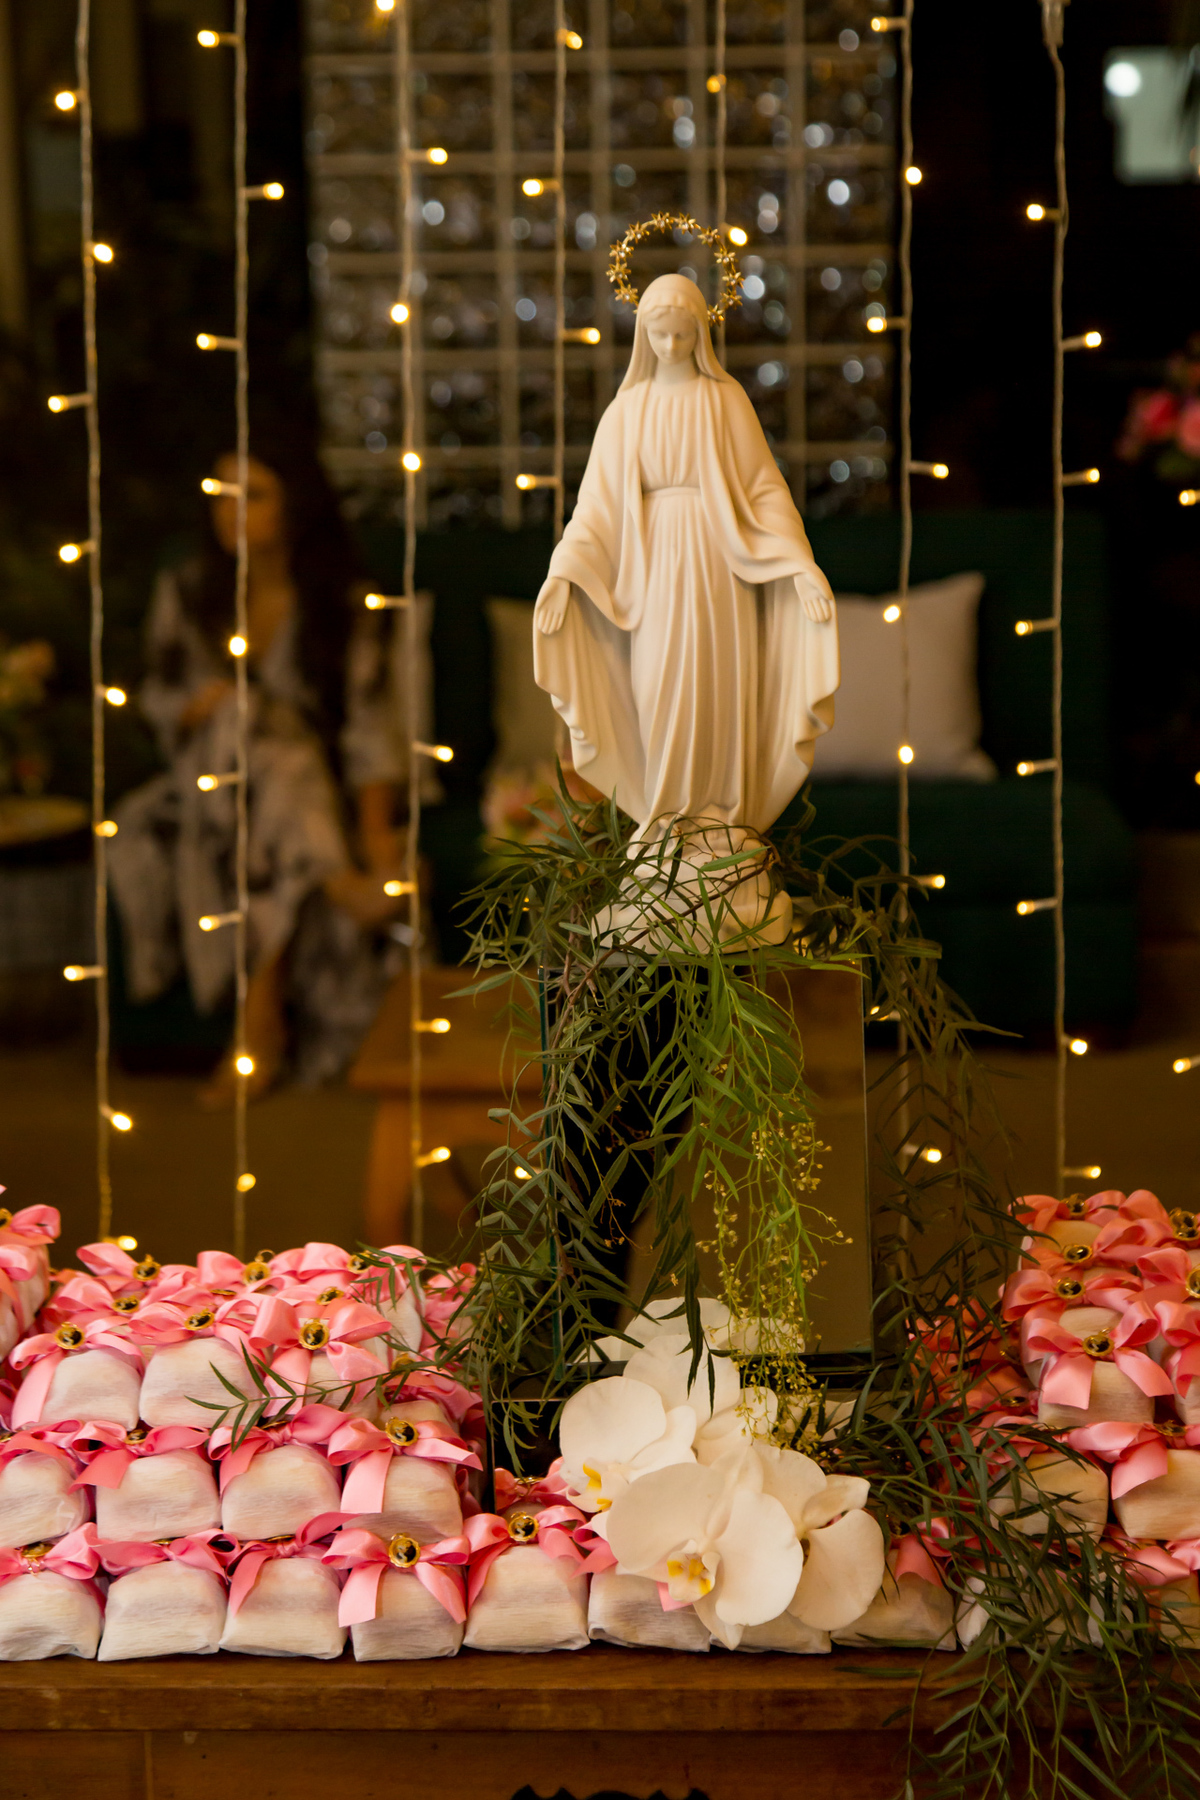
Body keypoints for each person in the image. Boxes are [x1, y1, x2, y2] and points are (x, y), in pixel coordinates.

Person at [109, 443, 425, 1101]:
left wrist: (376, 833)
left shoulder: (342, 604)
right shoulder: (189, 592)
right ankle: (338, 883)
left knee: (278, 756)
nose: (231, 511)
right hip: (204, 785)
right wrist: (201, 707)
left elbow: (370, 726)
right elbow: (160, 699)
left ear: (294, 508)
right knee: (242, 715)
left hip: (292, 802)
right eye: (221, 493)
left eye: (252, 495)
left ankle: (259, 1029)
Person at [532, 272, 839, 945]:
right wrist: (562, 576)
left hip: (722, 568)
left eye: (682, 333)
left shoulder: (724, 402)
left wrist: (798, 564)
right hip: (653, 577)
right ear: (643, 335)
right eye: (658, 333)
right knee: (662, 692)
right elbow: (596, 512)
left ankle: (721, 826)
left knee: (719, 694)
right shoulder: (626, 413)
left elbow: (763, 490)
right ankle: (667, 825)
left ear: (700, 332)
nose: (670, 344)